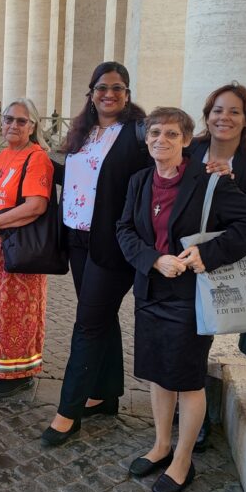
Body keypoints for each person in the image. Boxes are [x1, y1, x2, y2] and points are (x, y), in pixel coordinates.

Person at [116, 107, 246, 492]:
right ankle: (161, 445)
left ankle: (184, 459)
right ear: (146, 139)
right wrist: (153, 259)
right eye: (154, 134)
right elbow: (125, 228)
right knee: (156, 372)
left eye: (170, 134)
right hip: (150, 290)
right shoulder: (139, 181)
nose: (160, 141)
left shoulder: (209, 182)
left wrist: (209, 254)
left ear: (187, 140)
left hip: (190, 296)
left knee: (186, 378)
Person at [41, 61, 151, 446]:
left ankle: (68, 411)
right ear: (91, 93)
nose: (109, 94)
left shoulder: (138, 134)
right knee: (101, 316)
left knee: (87, 323)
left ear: (127, 94)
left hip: (113, 244)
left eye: (118, 88)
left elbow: (174, 157)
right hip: (77, 240)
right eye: (102, 87)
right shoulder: (82, 133)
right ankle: (105, 394)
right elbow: (71, 174)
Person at [186, 82, 246, 450]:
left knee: (202, 336)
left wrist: (230, 186)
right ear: (207, 117)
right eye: (217, 110)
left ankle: (197, 414)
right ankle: (183, 404)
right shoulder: (189, 150)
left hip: (219, 262)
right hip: (180, 258)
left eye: (234, 112)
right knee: (181, 336)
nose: (224, 117)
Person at [0, 98, 54, 398]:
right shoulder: (3, 154)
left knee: (15, 311)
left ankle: (17, 372)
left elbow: (36, 205)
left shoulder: (36, 158)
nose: (13, 125)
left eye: (21, 121)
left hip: (16, 246)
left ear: (32, 126)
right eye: (8, 119)